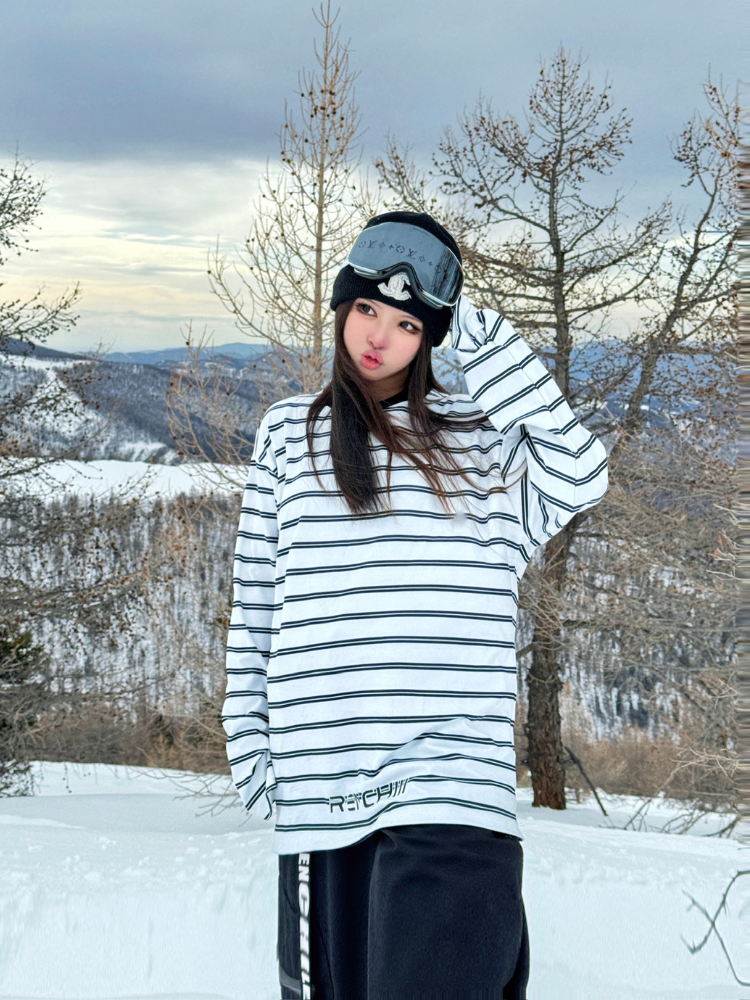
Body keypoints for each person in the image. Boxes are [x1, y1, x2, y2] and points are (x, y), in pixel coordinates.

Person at [222, 212, 609, 999]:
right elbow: (258, 595)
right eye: (366, 309)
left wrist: (481, 339)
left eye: (408, 323)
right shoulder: (287, 435)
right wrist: (247, 733)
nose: (379, 336)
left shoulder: (483, 444)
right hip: (320, 793)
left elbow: (581, 473)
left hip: (452, 796)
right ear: (341, 307)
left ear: (434, 335)